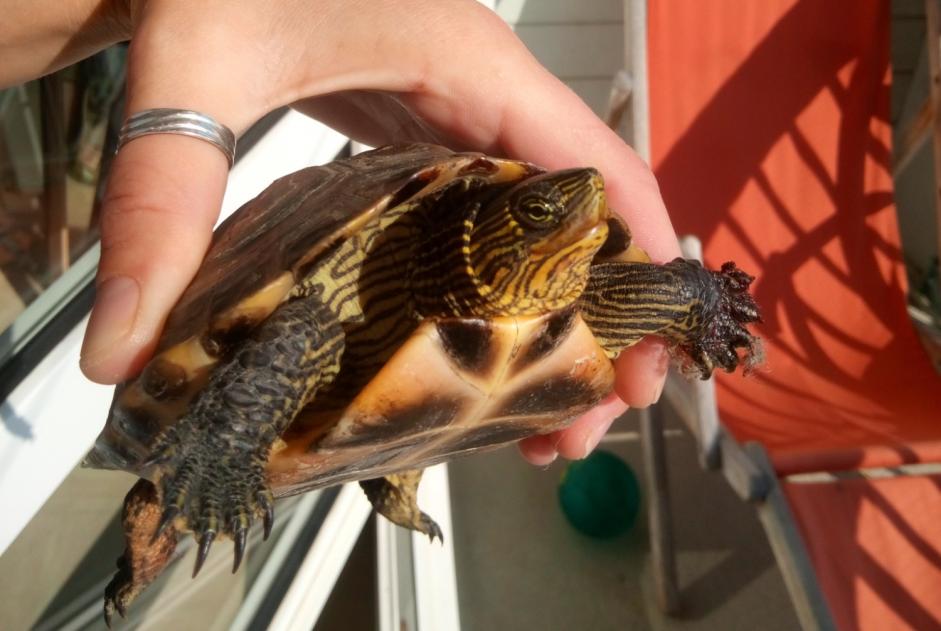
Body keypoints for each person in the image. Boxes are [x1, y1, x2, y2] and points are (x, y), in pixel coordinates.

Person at [1, 0, 679, 464]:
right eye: (537, 214)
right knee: (302, 333)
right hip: (265, 388)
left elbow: (658, 288)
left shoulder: (571, 285)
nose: (582, 213)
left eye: (578, 225)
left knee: (672, 291)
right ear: (471, 238)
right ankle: (210, 463)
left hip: (404, 425)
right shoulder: (373, 275)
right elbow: (299, 328)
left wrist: (694, 302)